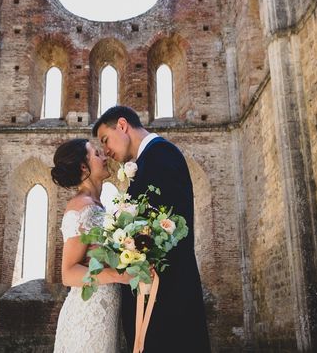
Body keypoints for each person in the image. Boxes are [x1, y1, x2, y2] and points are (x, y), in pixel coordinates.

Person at [93, 106, 211, 353]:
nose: (105, 151)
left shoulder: (161, 156)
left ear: (123, 125)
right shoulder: (149, 159)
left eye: (105, 139)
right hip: (158, 299)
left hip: (169, 302)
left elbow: (165, 229)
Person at [51, 138, 133, 353]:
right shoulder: (80, 208)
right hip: (87, 317)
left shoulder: (98, 206)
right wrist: (116, 275)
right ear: (83, 167)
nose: (105, 157)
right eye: (97, 154)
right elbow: (68, 274)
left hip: (107, 312)